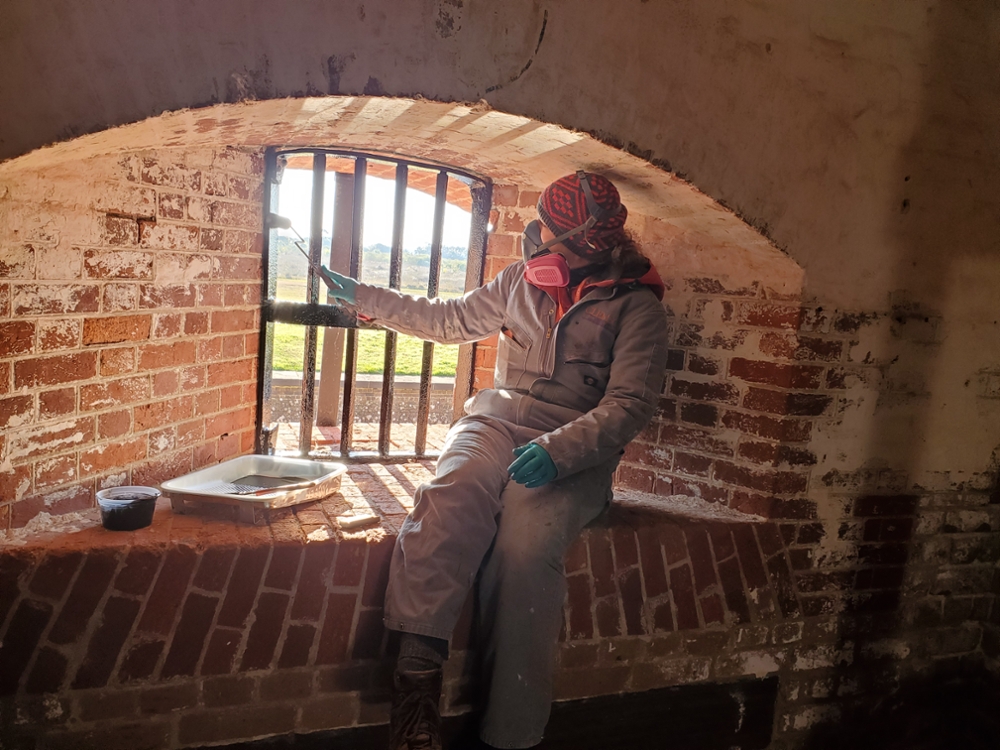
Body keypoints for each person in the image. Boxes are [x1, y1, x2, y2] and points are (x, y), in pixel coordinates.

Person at [320, 171, 669, 750]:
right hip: (497, 421)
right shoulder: (518, 281)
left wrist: (558, 453)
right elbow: (448, 319)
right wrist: (365, 297)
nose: (545, 243)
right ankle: (416, 690)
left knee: (526, 547)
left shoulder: (637, 309)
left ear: (592, 242)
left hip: (571, 450)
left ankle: (510, 735)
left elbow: (630, 404)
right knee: (451, 493)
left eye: (557, 235)